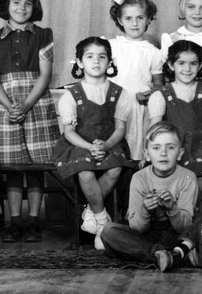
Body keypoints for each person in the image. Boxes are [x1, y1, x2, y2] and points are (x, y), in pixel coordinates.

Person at [0, 0, 60, 243]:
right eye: (16, 2)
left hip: (36, 103)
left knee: (35, 166)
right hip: (7, 104)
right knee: (13, 167)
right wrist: (10, 106)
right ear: (6, 5)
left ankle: (34, 221)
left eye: (28, 3)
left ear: (34, 7)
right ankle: (15, 222)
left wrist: (26, 104)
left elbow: (45, 74)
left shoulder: (43, 35)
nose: (22, 8)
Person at [100, 121, 202, 269]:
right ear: (147, 154)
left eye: (170, 147)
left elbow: (184, 226)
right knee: (109, 231)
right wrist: (144, 210)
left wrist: (172, 208)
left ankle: (177, 252)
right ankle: (169, 255)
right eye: (156, 147)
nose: (163, 153)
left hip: (181, 235)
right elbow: (137, 228)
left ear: (180, 154)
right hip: (150, 236)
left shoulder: (188, 177)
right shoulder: (139, 178)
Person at [52, 37, 136, 250]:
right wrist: (90, 147)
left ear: (110, 62)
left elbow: (120, 129)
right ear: (79, 62)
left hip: (110, 142)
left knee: (116, 166)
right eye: (89, 57)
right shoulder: (71, 95)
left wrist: (106, 146)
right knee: (85, 170)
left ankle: (90, 210)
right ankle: (101, 221)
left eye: (102, 57)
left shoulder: (119, 93)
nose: (96, 61)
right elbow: (69, 131)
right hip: (79, 143)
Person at [148, 40, 202, 207]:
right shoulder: (160, 95)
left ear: (201, 65)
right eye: (181, 63)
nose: (187, 69)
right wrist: (149, 152)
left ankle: (197, 225)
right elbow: (154, 129)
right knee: (170, 190)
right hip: (171, 147)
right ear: (171, 65)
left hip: (200, 147)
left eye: (193, 63)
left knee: (201, 184)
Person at [108, 0, 164, 165]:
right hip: (114, 105)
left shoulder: (153, 53)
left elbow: (160, 86)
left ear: (148, 19)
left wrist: (150, 93)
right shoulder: (110, 46)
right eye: (128, 18)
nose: (134, 23)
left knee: (135, 154)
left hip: (138, 107)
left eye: (140, 18)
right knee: (113, 154)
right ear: (119, 20)